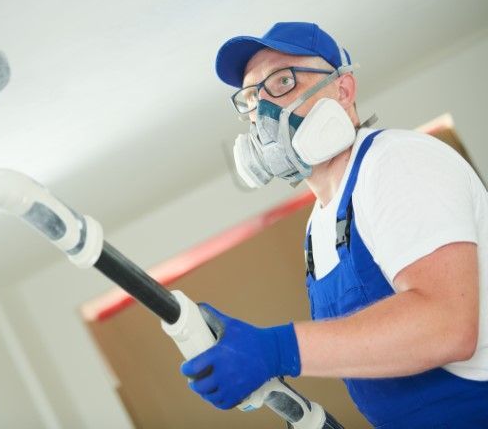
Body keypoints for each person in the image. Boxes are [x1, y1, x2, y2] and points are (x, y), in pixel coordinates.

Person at [180, 22, 488, 428]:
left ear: (343, 90)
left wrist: (278, 350)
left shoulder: (396, 162)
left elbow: (446, 325)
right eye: (253, 98)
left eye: (283, 81)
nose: (265, 112)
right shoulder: (318, 227)